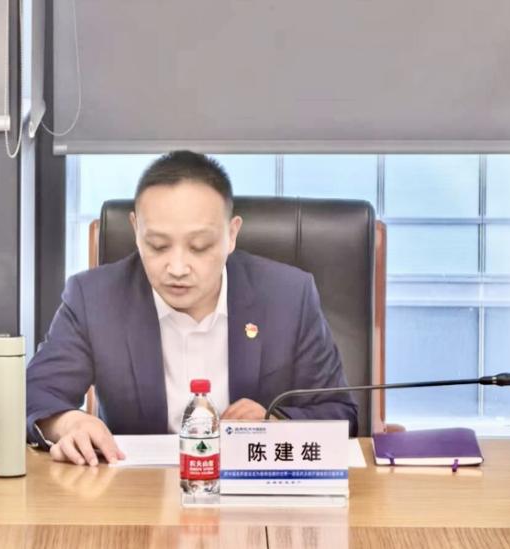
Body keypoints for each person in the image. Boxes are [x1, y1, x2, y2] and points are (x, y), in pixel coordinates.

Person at [26, 151, 357, 466]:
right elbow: (32, 394)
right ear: (136, 231)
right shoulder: (94, 298)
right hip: (137, 491)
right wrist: (68, 423)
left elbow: (341, 414)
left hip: (254, 489)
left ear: (231, 235)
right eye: (158, 246)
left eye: (199, 247)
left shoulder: (288, 296)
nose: (177, 268)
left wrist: (275, 425)